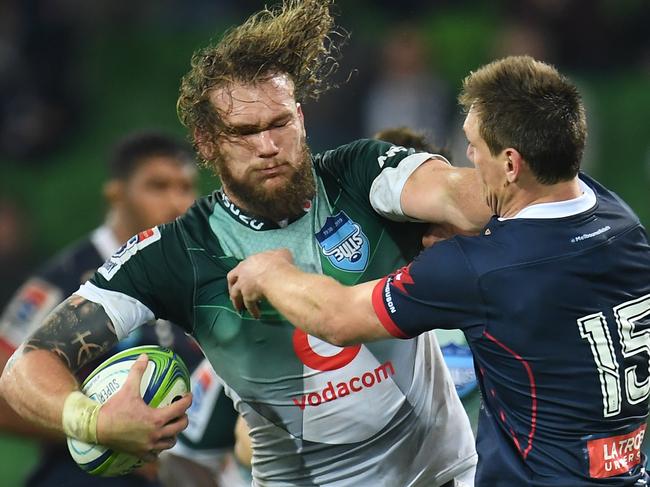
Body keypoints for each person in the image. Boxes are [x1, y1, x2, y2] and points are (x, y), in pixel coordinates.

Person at [0, 1, 490, 485]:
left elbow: (462, 194)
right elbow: (27, 366)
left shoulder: (360, 173)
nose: (268, 146)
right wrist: (94, 421)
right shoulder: (177, 252)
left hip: (442, 476)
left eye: (280, 123)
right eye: (244, 132)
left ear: (301, 116)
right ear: (207, 141)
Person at [226, 55, 650, 486]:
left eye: (473, 145)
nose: (466, 155)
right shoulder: (621, 221)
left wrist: (271, 270)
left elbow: (337, 318)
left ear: (509, 163)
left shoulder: (479, 269)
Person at [0, 131, 218, 486]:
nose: (178, 203)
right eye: (158, 186)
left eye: (186, 187)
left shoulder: (197, 280)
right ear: (117, 195)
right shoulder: (65, 279)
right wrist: (100, 432)